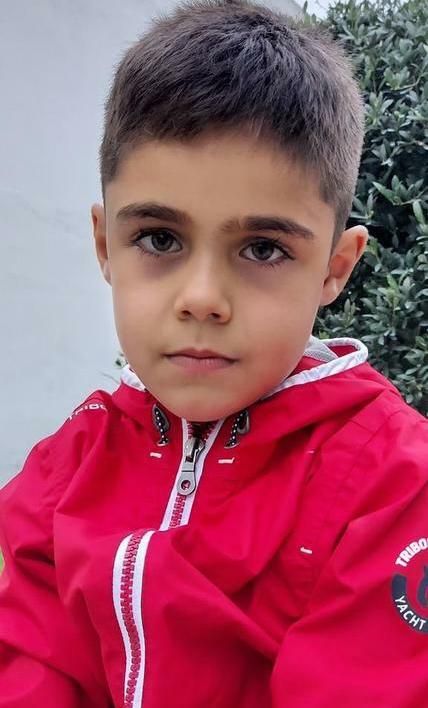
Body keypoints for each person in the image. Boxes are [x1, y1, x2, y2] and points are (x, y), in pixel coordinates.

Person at [0, 0, 427, 705]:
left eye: (263, 249)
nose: (202, 298)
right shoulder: (62, 473)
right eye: (160, 239)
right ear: (105, 245)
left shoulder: (394, 487)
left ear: (335, 268)